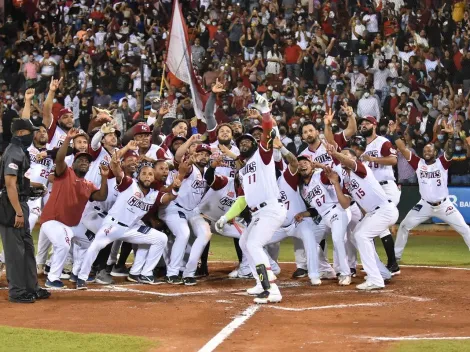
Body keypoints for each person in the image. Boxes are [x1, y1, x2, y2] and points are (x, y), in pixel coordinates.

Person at [216, 94, 287, 304]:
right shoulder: (244, 170)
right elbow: (242, 199)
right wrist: (225, 217)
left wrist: (265, 113)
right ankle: (259, 282)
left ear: (255, 145)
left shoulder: (263, 155)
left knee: (254, 244)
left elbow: (266, 132)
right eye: (242, 142)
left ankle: (271, 288)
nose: (245, 143)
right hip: (257, 212)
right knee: (246, 242)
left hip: (271, 209)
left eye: (248, 140)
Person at [39, 128, 109, 288]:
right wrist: (67, 139)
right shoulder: (65, 172)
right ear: (74, 163)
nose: (85, 162)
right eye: (81, 160)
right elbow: (59, 158)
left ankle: (77, 273)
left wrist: (104, 178)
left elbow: (101, 197)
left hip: (73, 224)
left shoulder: (88, 184)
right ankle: (53, 278)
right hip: (53, 220)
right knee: (63, 244)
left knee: (91, 243)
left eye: (87, 162)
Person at [390, 122, 470, 260]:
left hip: (444, 206)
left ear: (435, 152)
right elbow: (402, 149)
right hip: (424, 205)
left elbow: (450, 151)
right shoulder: (418, 163)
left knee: (465, 229)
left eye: (430, 150)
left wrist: (451, 136)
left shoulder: (442, 163)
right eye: (425, 151)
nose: (427, 152)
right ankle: (395, 259)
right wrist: (393, 134)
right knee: (404, 226)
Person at [326, 145, 398, 291]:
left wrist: (335, 153)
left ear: (354, 158)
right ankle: (382, 273)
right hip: (374, 213)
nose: (342, 157)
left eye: (346, 155)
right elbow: (345, 204)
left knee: (361, 235)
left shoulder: (361, 168)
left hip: (385, 209)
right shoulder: (346, 179)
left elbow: (350, 163)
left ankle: (375, 279)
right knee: (355, 235)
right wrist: (335, 184)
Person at [0, 118, 50, 303]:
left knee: (28, 248)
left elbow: (19, 181)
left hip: (22, 203)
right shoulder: (13, 152)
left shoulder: (20, 150)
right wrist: (18, 212)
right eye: (31, 131)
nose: (34, 134)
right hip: (12, 206)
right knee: (14, 252)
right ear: (21, 133)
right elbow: (10, 184)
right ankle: (17, 292)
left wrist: (33, 186)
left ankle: (32, 287)